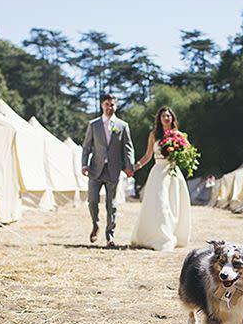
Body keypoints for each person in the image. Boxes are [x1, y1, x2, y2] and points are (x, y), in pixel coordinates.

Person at [130, 106, 192, 251]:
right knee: (159, 204)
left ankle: (170, 234)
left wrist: (179, 151)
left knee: (172, 204)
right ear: (159, 119)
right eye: (163, 116)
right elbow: (148, 155)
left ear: (172, 118)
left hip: (172, 173)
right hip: (158, 172)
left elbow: (188, 151)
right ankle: (159, 237)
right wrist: (136, 166)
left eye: (168, 116)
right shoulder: (154, 135)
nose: (166, 118)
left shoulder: (179, 135)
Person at [80, 94, 134, 247]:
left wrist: (129, 166)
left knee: (112, 204)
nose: (110, 107)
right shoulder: (93, 124)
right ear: (102, 105)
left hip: (113, 170)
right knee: (92, 201)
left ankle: (110, 236)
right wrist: (84, 164)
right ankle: (95, 225)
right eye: (107, 104)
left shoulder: (123, 126)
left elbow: (128, 148)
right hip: (95, 169)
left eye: (112, 105)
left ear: (115, 106)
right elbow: (86, 147)